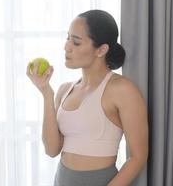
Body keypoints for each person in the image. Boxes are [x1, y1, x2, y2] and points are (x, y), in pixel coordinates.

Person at [27, 10, 148, 186]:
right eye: (68, 38)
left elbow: (138, 157)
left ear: (101, 50)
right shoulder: (64, 90)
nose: (67, 47)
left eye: (76, 42)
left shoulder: (123, 90)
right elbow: (51, 149)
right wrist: (46, 93)